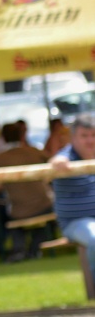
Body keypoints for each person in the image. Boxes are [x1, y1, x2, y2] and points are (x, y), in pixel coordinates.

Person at [0, 122, 52, 262]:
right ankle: (35, 249)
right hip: (43, 205)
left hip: (17, 210)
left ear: (3, 138)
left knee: (5, 212)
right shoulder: (35, 152)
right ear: (22, 135)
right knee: (47, 208)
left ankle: (19, 250)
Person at [49, 113, 95, 280]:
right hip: (76, 223)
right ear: (73, 138)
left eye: (93, 135)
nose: (90, 140)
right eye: (84, 136)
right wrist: (58, 162)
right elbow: (57, 161)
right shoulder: (68, 155)